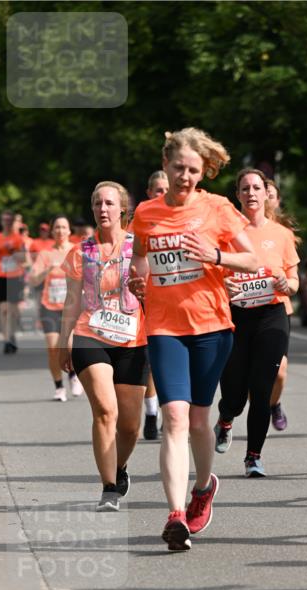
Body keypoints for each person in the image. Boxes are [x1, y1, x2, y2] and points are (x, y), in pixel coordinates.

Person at [130, 127, 256, 551]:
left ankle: (203, 486)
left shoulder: (217, 208)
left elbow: (252, 258)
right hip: (164, 328)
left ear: (203, 173)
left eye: (193, 170)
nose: (185, 177)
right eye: (179, 168)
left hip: (211, 327)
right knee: (175, 420)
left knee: (200, 421)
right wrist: (138, 280)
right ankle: (175, 514)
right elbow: (141, 257)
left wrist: (215, 255)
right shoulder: (146, 213)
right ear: (165, 165)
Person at [58, 182, 147, 511]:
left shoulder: (139, 248)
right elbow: (71, 300)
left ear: (122, 209)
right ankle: (109, 487)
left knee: (129, 425)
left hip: (134, 340)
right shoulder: (82, 251)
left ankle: (120, 467)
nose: (103, 209)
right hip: (90, 336)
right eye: (97, 203)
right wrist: (64, 339)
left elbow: (156, 294)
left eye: (109, 203)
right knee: (105, 412)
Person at [214, 168, 300, 477]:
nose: (251, 193)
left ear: (266, 194)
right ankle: (226, 419)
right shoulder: (226, 234)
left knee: (262, 389)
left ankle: (253, 457)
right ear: (237, 196)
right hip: (235, 317)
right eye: (245, 189)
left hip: (272, 316)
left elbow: (294, 282)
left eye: (256, 188)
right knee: (235, 394)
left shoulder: (281, 235)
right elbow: (213, 278)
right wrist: (226, 289)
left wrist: (284, 284)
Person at [29, 215, 83, 401]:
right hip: (50, 306)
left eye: (63, 227)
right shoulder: (45, 254)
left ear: (69, 231)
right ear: (52, 231)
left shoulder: (77, 251)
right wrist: (46, 270)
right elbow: (33, 279)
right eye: (57, 227)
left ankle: (74, 375)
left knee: (69, 345)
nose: (60, 230)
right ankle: (59, 386)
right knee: (53, 347)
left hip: (72, 306)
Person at [266, 178, 298, 432]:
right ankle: (257, 412)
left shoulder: (284, 233)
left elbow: (294, 275)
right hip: (247, 311)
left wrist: (288, 284)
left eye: (271, 194)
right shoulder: (238, 229)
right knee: (254, 376)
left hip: (279, 308)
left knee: (279, 371)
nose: (265, 198)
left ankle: (273, 404)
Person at [141, 169, 170, 440]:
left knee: (169, 362)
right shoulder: (141, 220)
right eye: (157, 190)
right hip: (147, 301)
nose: (162, 195)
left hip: (176, 301)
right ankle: (151, 413)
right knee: (151, 362)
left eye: (166, 190)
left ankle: (169, 411)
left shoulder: (182, 220)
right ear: (150, 193)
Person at [0, 210, 29, 353]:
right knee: (4, 308)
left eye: (9, 221)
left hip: (15, 276)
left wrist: (13, 251)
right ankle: (6, 340)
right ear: (1, 222)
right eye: (4, 220)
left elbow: (24, 259)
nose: (6, 223)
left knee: (14, 310)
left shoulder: (19, 239)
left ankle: (12, 334)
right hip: (0, 275)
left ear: (12, 222)